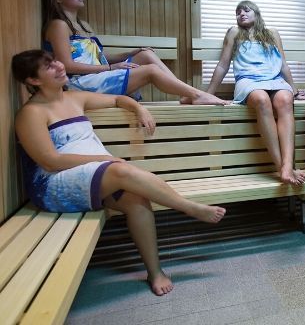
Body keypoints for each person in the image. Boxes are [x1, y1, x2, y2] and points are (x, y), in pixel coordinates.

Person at [12, 50, 227, 296]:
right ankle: (189, 207)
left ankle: (155, 272)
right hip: (56, 185)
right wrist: (103, 158)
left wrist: (139, 109)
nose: (60, 66)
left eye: (55, 61)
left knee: (137, 199)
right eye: (49, 66)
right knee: (119, 171)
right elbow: (50, 161)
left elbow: (117, 100)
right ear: (33, 81)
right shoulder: (31, 113)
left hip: (94, 173)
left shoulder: (74, 98)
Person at [41, 0, 227, 105]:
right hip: (80, 84)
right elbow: (67, 65)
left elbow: (98, 56)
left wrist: (130, 54)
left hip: (97, 75)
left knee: (145, 54)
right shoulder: (58, 25)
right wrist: (111, 68)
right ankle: (196, 94)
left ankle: (190, 95)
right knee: (151, 71)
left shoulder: (84, 25)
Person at [205, 0, 305, 186]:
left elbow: (283, 64)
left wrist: (293, 90)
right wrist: (208, 95)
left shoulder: (272, 33)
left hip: (274, 79)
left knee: (285, 99)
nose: (241, 14)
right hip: (248, 81)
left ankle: (288, 164)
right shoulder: (234, 32)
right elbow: (223, 65)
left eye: (246, 10)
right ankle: (282, 167)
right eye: (237, 12)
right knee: (261, 98)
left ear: (256, 13)